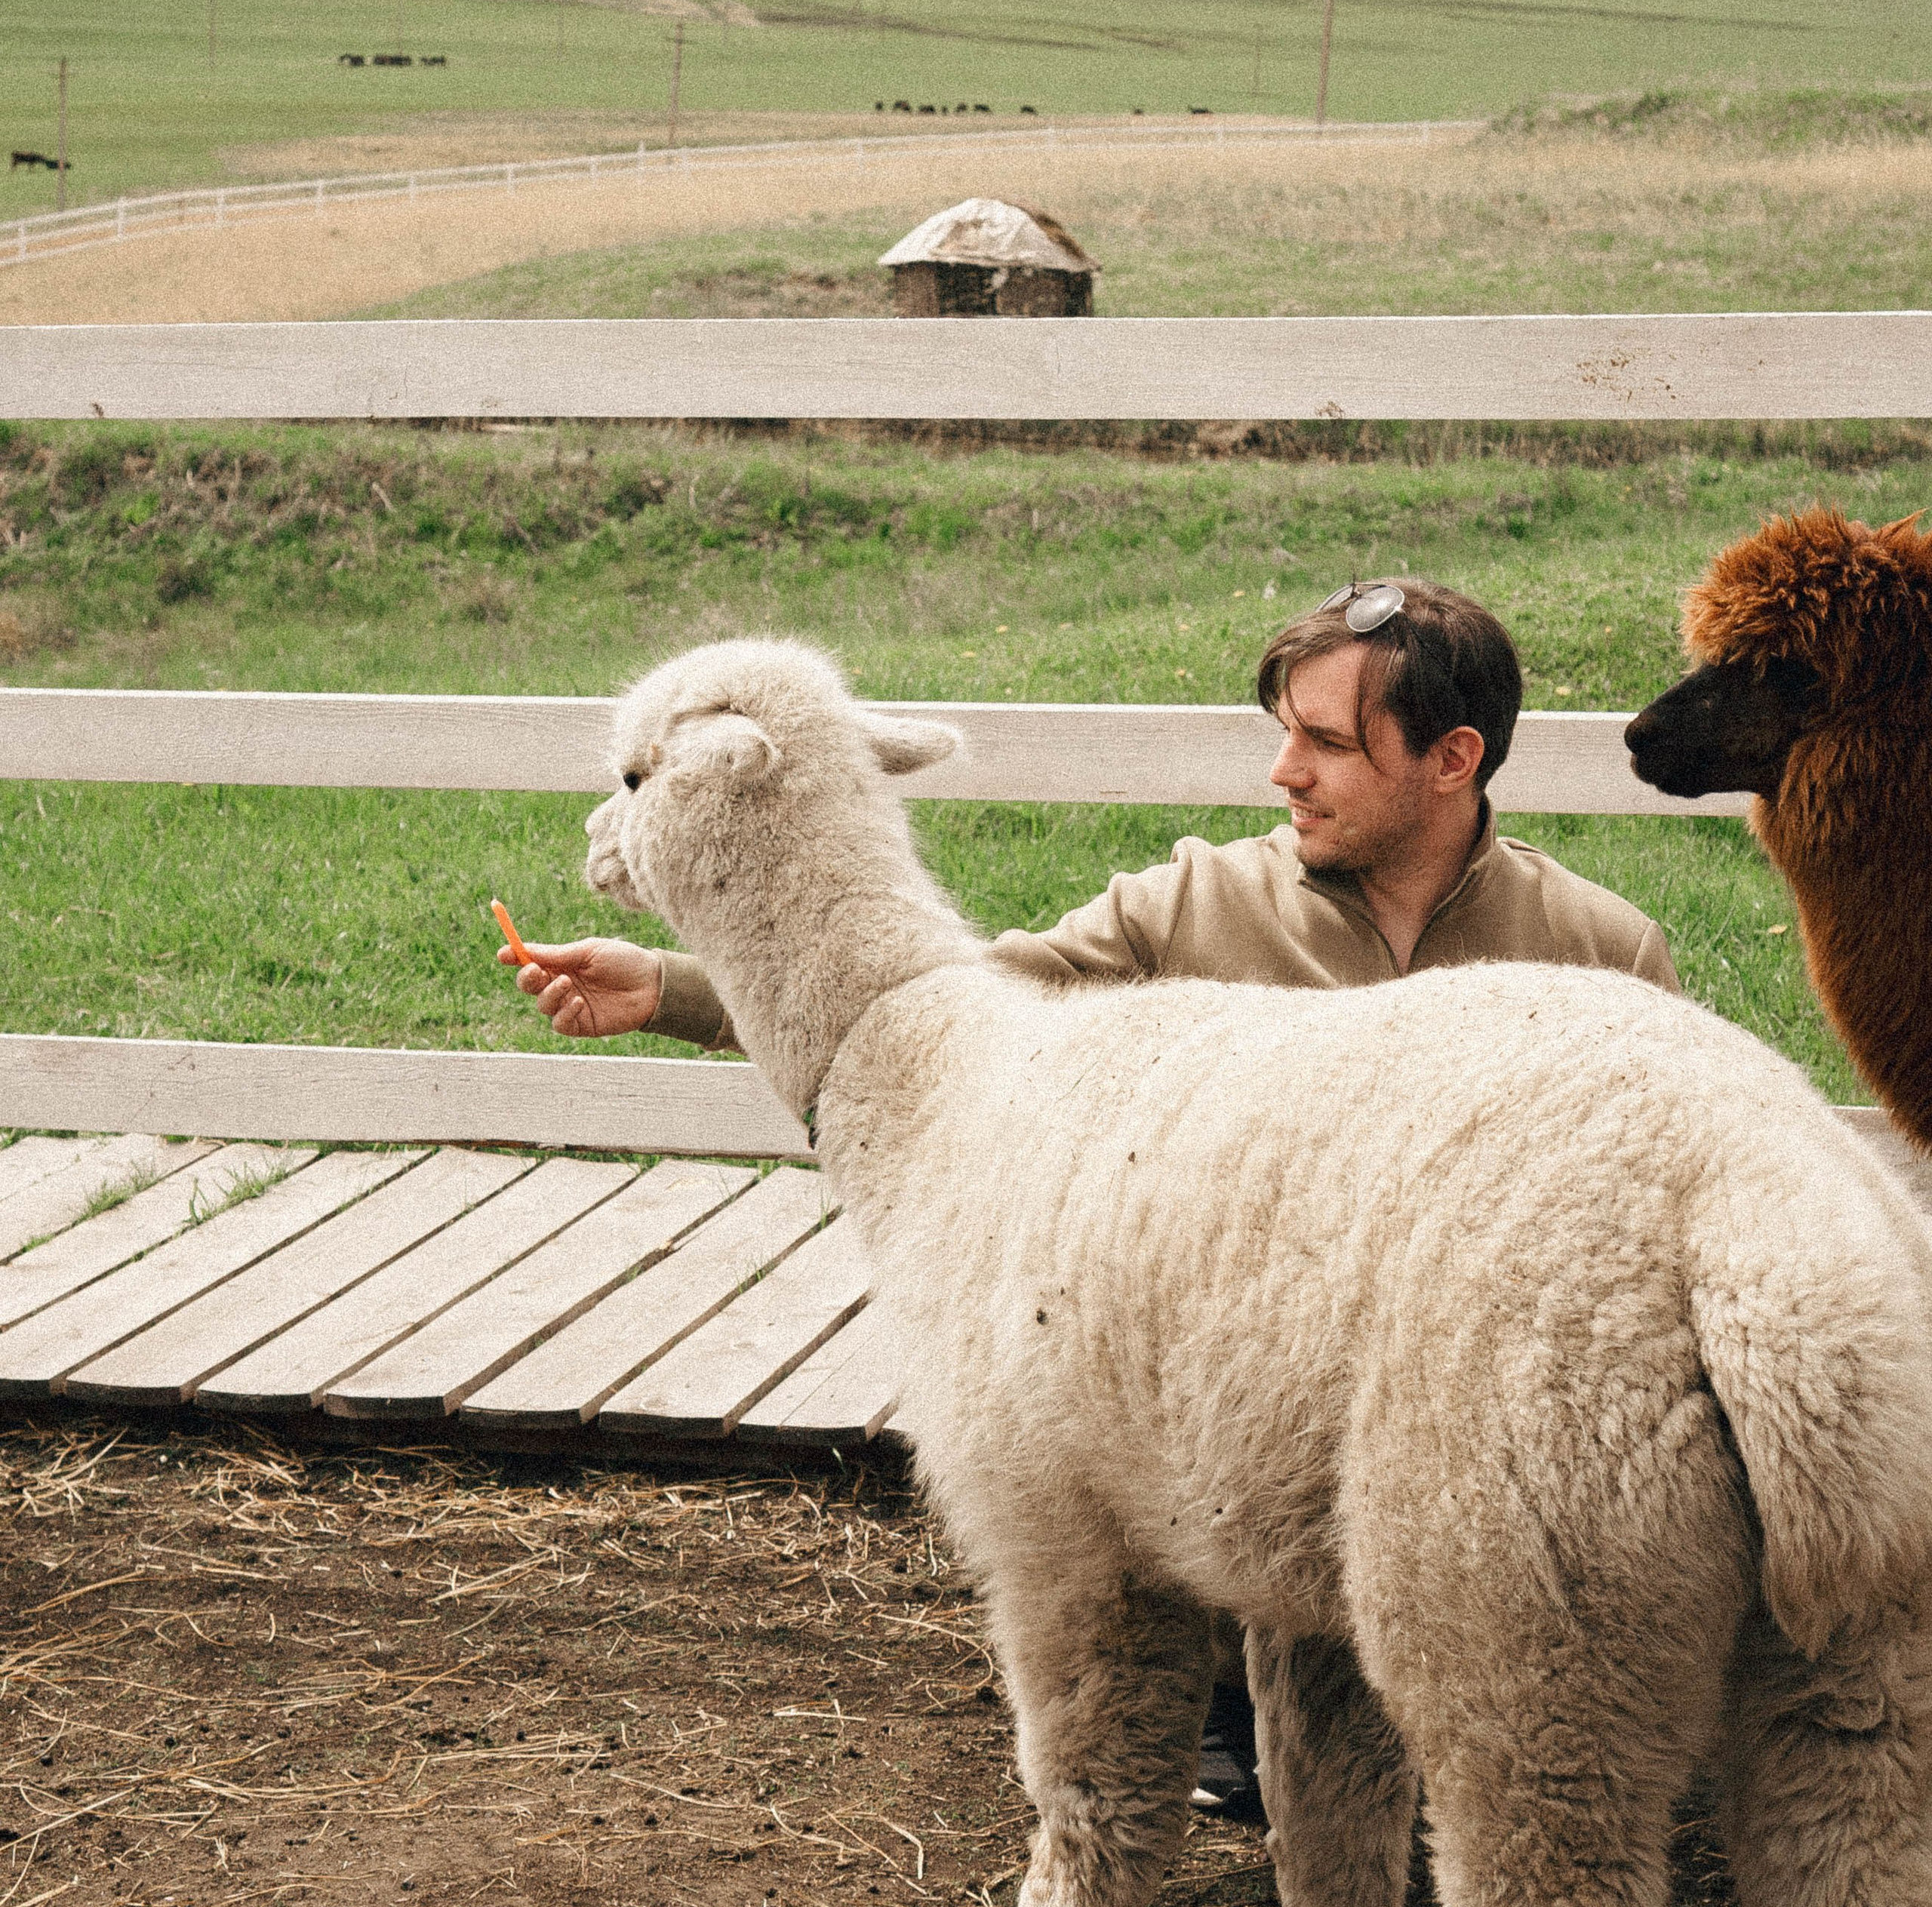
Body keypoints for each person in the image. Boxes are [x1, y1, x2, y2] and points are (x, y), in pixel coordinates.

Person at [502, 577, 1678, 1814]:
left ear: (1452, 759)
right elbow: (935, 1025)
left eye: (1328, 743)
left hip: (1474, 1454)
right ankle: (1224, 1697)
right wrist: (675, 991)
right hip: (1269, 1459)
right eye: (1284, 731)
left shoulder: (1597, 956)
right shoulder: (1192, 908)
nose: (1284, 771)